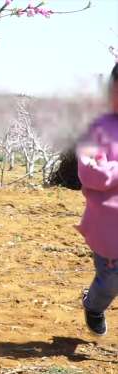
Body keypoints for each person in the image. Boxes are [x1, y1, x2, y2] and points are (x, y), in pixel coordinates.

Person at [77, 62, 118, 336]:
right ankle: (93, 305)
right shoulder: (97, 129)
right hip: (109, 228)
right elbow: (91, 173)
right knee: (111, 282)